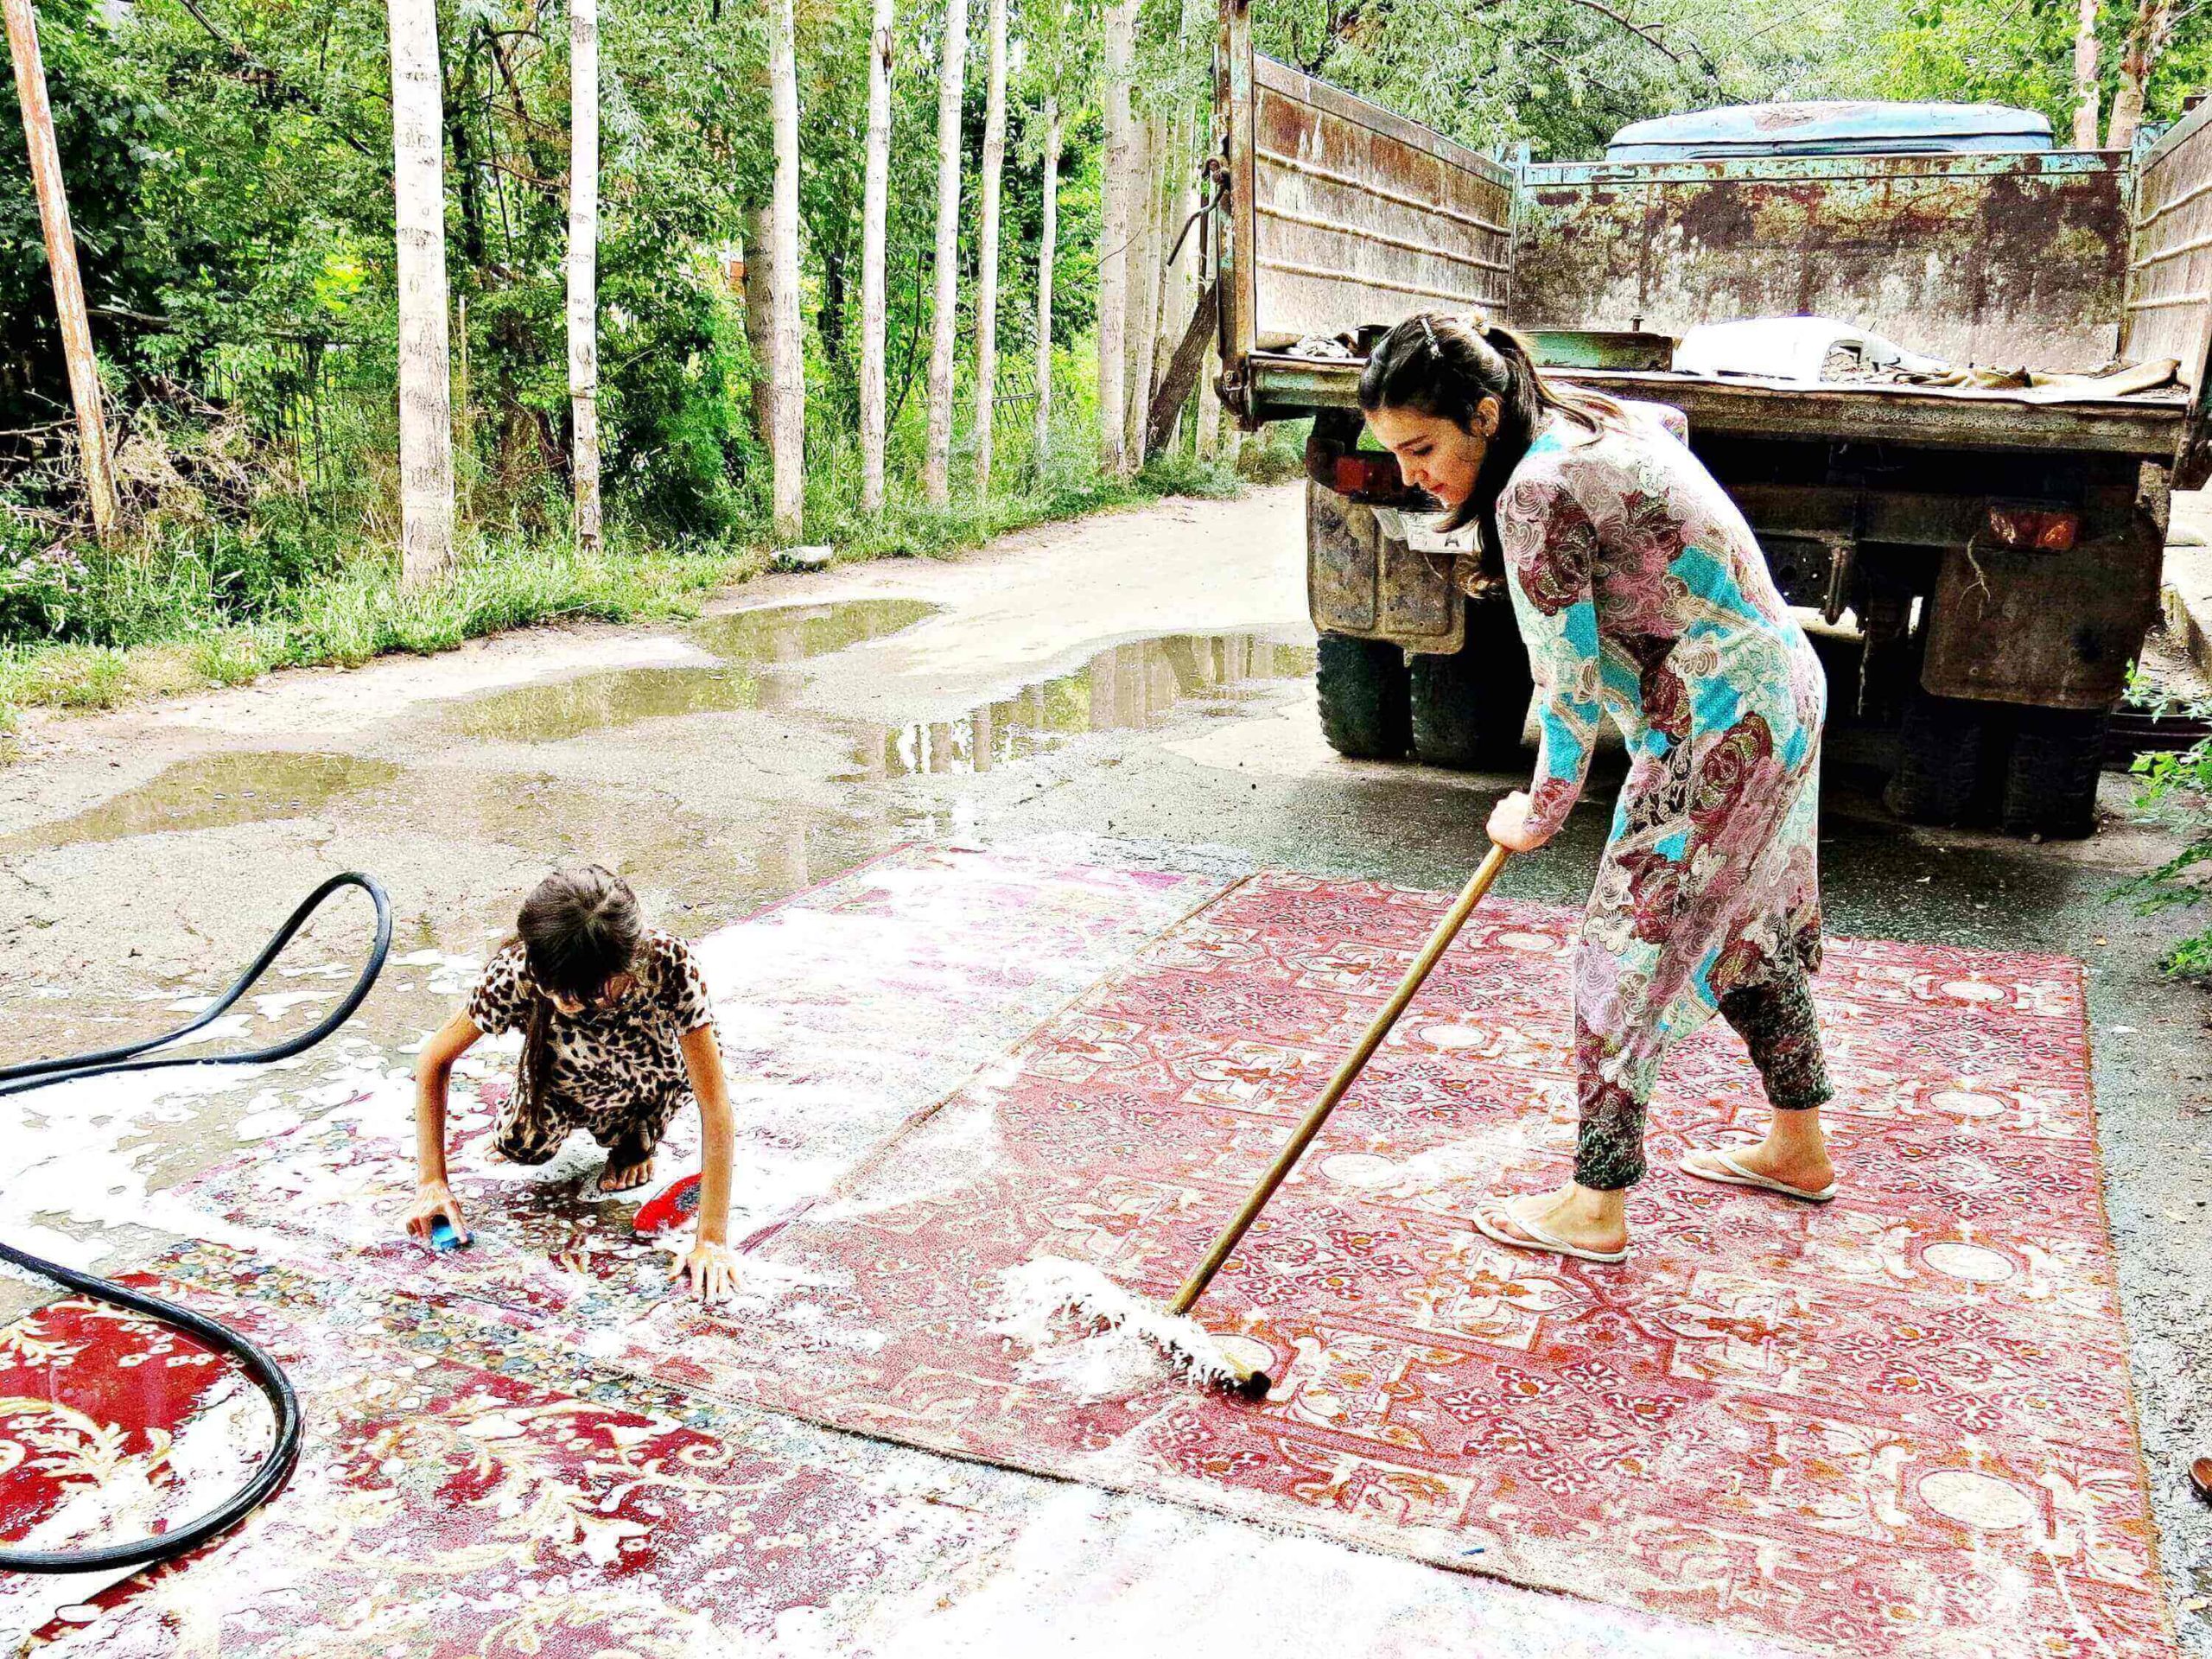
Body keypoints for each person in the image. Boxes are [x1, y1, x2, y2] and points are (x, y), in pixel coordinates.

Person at [1359, 310, 1833, 1264]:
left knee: (1617, 953)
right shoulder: (1590, 415)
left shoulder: (1532, 493)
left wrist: (1534, 814)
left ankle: (1594, 1203)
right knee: (1746, 925)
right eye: (1395, 454)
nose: (1413, 476)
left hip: (1718, 726)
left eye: (1422, 448)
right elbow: (1671, 424)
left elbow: (1565, 695)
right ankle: (1796, 1147)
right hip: (1781, 683)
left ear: (1485, 415)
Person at [406, 865, 738, 1300]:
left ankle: (631, 1133)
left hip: (652, 1074)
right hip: (565, 1073)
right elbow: (434, 1059)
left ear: (629, 964)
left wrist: (710, 1240)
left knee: (635, 1123)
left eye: (586, 995)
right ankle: (566, 1118)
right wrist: (433, 1182)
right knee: (522, 1147)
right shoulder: (516, 971)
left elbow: (714, 1107)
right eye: (555, 992)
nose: (566, 1003)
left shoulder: (669, 964)